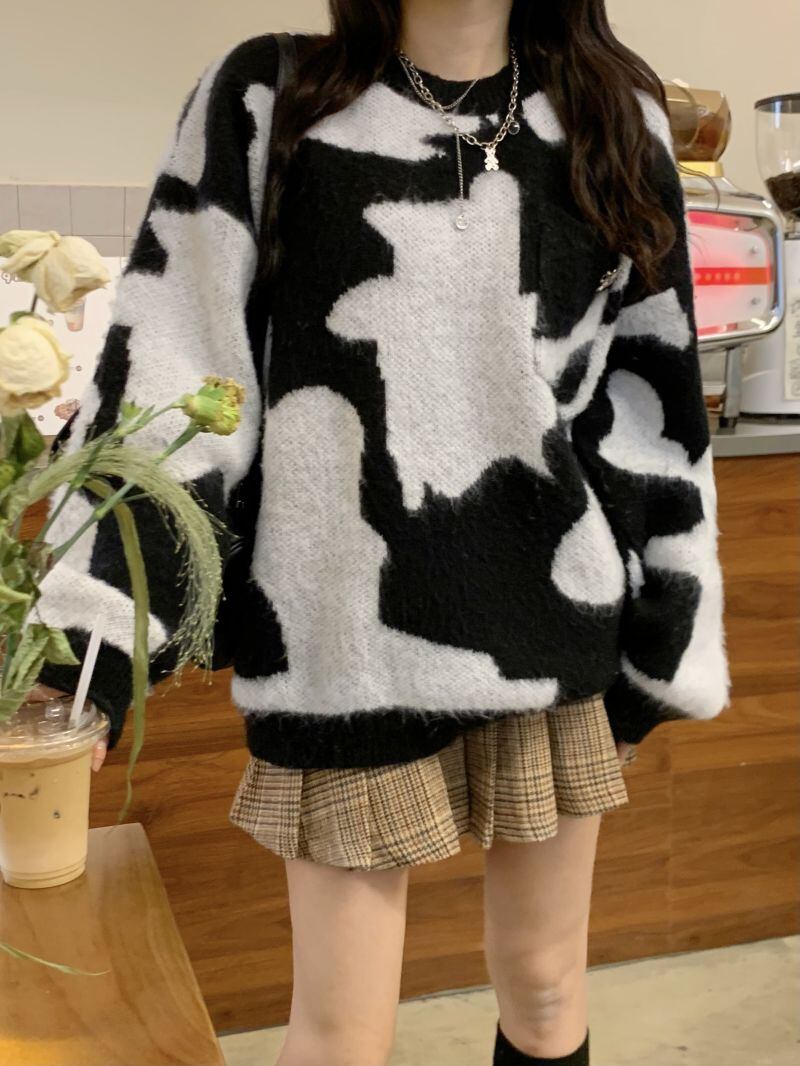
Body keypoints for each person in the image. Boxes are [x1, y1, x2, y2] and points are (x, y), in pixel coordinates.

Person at [30, 1, 731, 1063]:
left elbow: (651, 401)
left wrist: (663, 638)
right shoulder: (268, 96)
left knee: (547, 991)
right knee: (340, 1029)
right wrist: (87, 645)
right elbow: (174, 371)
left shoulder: (610, 115)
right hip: (339, 637)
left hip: (551, 622)